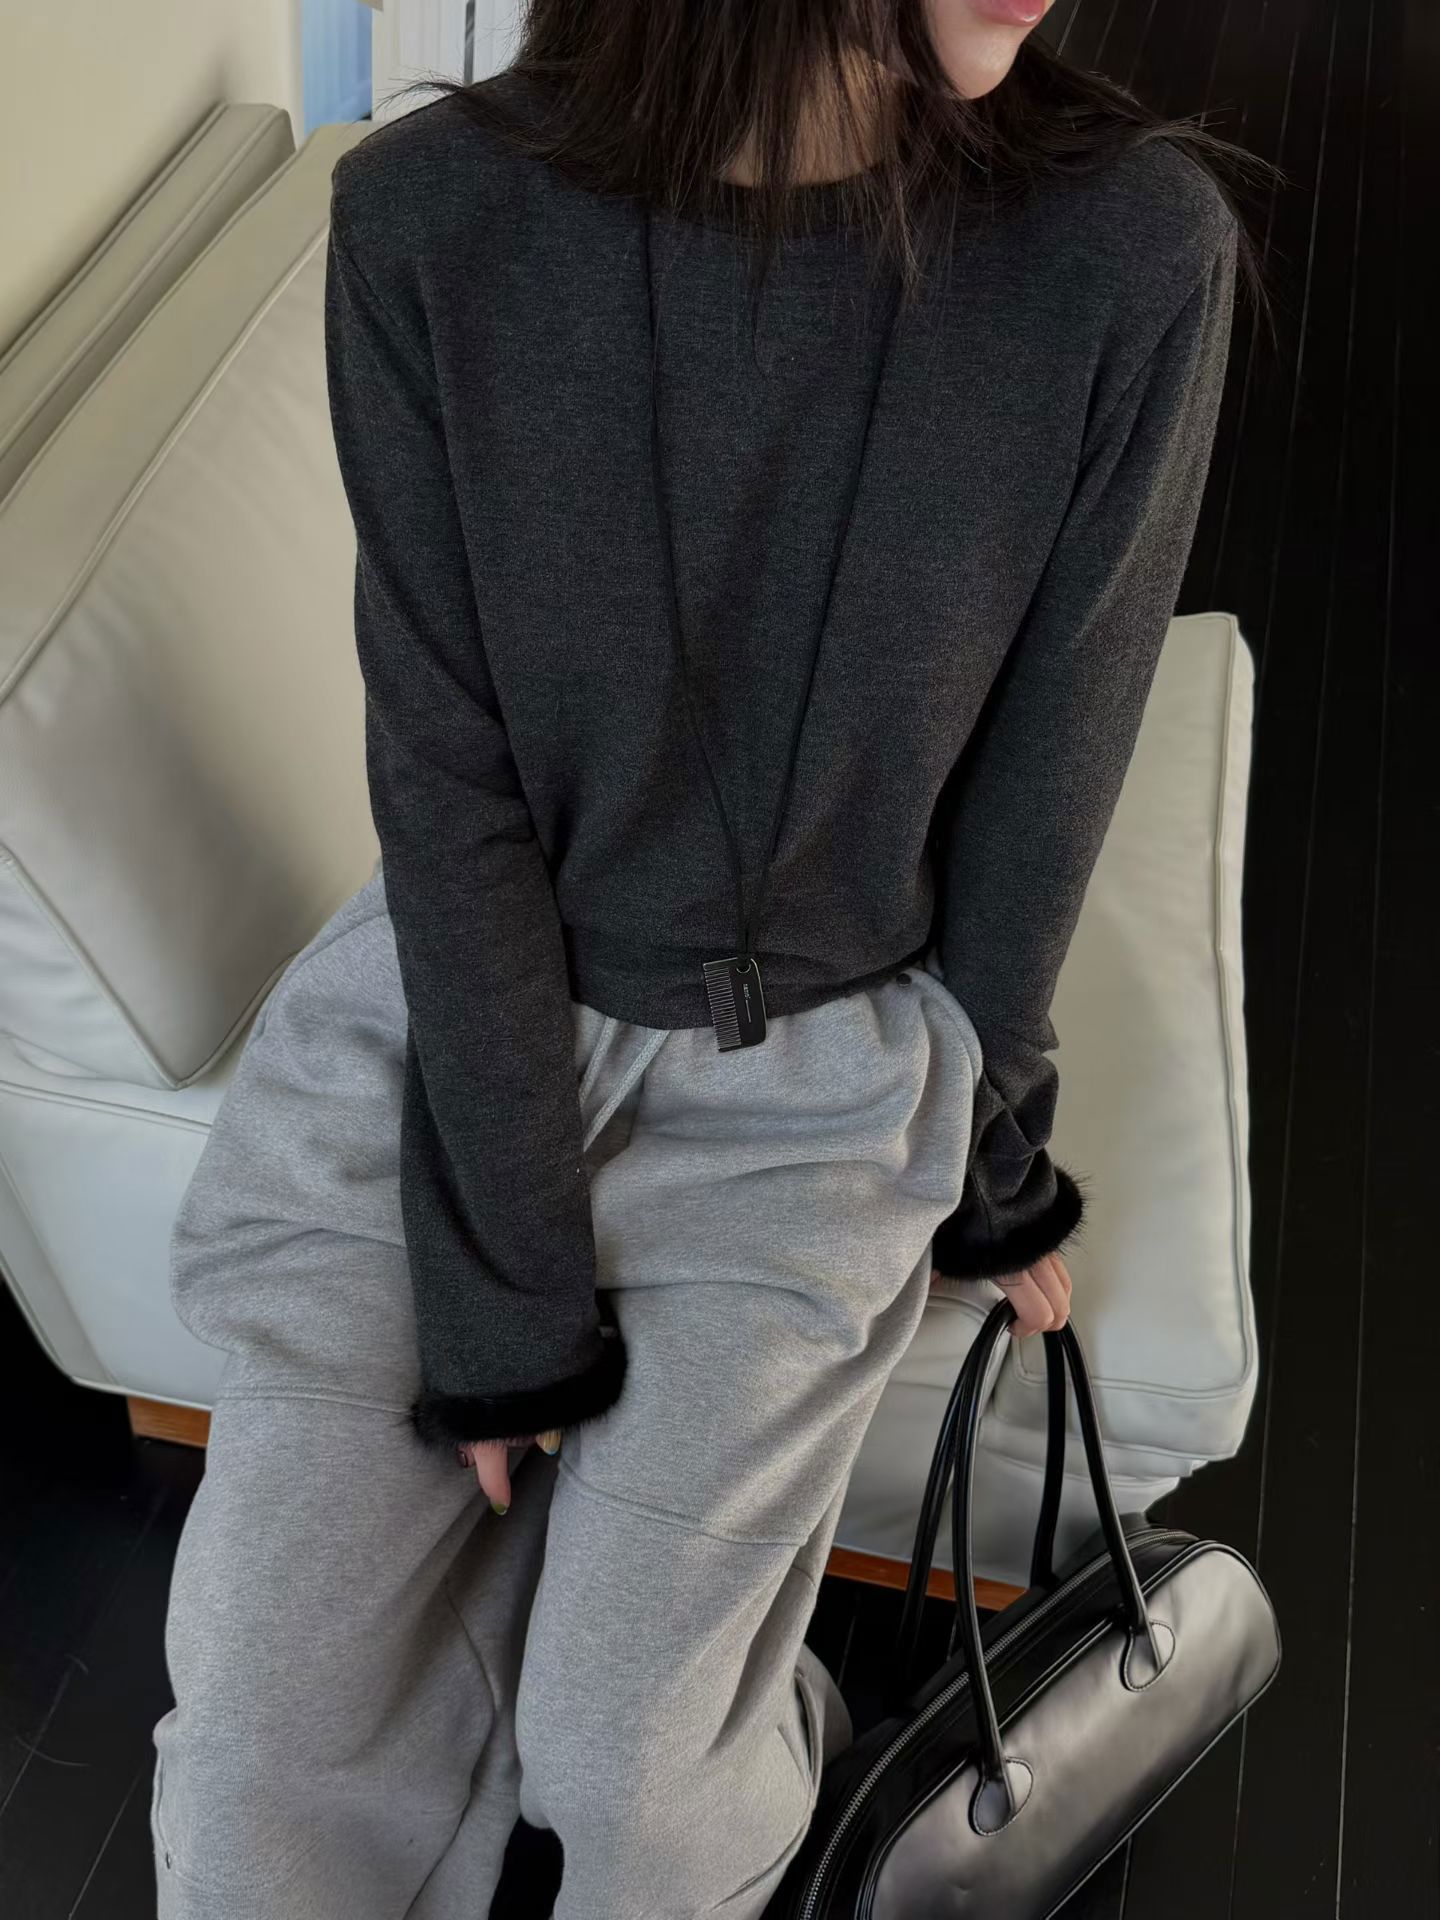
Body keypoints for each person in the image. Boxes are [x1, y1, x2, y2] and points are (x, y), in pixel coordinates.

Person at [150, 3, 1263, 1915]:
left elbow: (1047, 781)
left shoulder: (1126, 253)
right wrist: (508, 1301)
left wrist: (993, 1160)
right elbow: (447, 780)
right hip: (451, 1028)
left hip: (817, 1087)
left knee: (637, 1781)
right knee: (259, 1766)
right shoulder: (430, 221)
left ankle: (761, 1731)